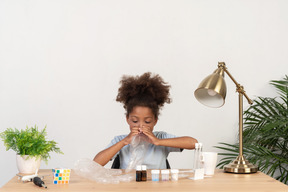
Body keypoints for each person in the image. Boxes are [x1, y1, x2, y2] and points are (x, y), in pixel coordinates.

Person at [93, 72, 198, 169]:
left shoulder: (161, 138)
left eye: (147, 121)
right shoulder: (120, 140)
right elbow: (95, 164)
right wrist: (124, 142)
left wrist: (158, 142)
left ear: (155, 121)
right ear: (127, 119)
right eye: (135, 121)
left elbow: (194, 143)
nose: (140, 126)